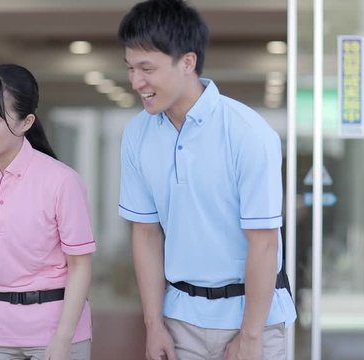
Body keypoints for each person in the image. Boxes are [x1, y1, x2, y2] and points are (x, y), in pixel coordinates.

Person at [117, 1, 297, 359]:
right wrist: (154, 325)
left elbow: (263, 243)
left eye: (147, 68)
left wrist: (249, 337)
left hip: (255, 319)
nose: (137, 82)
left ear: (187, 62)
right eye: (131, 68)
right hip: (180, 319)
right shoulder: (137, 134)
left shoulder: (249, 134)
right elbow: (146, 233)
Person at [0, 64, 95, 360]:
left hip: (55, 329)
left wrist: (63, 337)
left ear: (26, 123)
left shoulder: (61, 181)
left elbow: (80, 264)